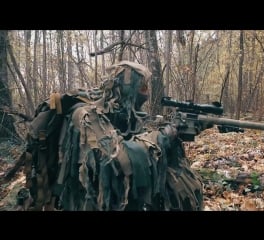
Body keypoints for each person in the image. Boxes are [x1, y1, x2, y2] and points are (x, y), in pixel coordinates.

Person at [19, 61, 203, 211]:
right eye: (142, 87)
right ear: (125, 86)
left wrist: (180, 130)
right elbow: (116, 159)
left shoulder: (123, 115)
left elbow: (138, 136)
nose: (146, 93)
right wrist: (163, 136)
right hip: (84, 201)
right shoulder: (86, 115)